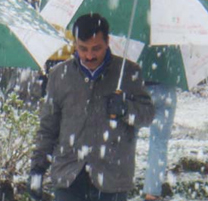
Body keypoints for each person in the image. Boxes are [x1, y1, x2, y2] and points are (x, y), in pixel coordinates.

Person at [29, 13, 155, 201]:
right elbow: (48, 127)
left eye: (96, 48)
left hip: (112, 176)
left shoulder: (127, 73)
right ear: (75, 44)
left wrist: (126, 109)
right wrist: (38, 168)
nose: (89, 55)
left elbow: (148, 115)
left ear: (107, 42)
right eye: (83, 48)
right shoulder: (59, 75)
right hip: (69, 174)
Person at [142, 81, 177, 201]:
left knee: (127, 140)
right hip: (165, 90)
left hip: (138, 88)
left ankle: (119, 187)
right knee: (159, 143)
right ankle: (152, 192)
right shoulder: (172, 62)